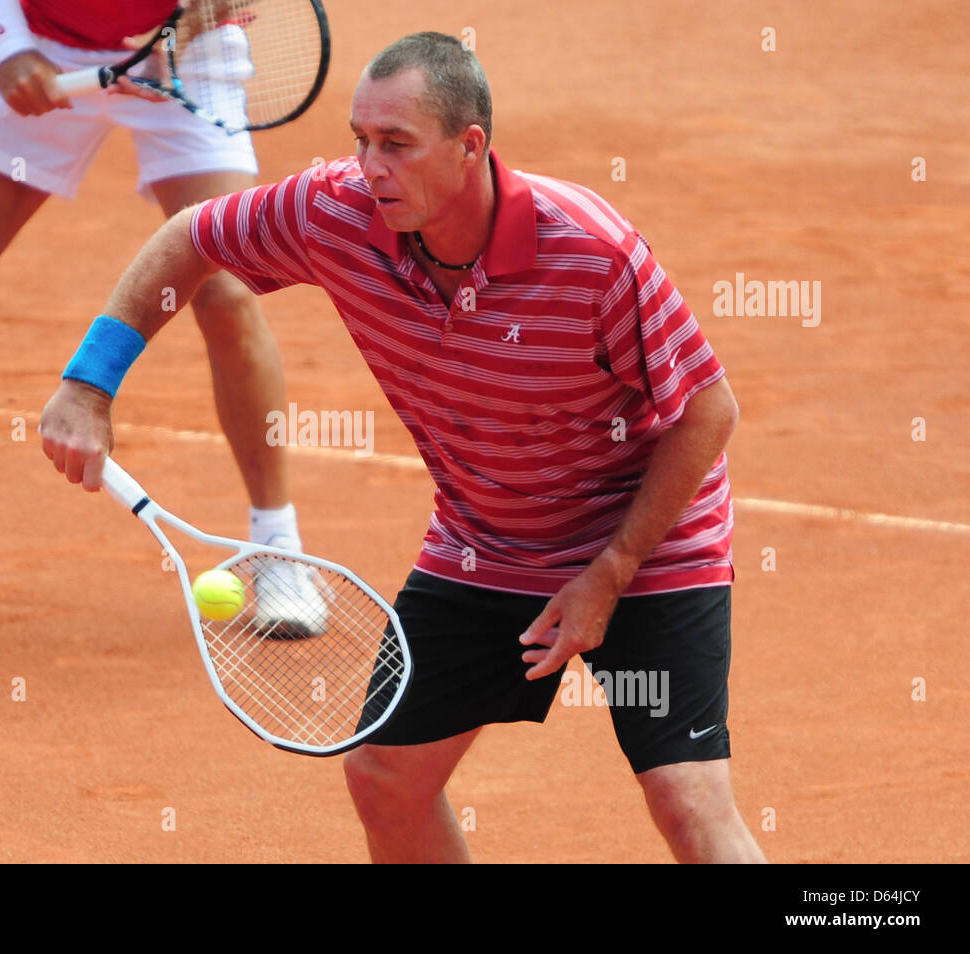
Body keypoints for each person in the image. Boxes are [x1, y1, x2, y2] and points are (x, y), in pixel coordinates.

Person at [38, 31, 767, 863]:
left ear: (470, 148)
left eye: (395, 145)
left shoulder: (593, 253)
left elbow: (710, 411)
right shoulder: (335, 212)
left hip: (646, 541)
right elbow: (193, 238)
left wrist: (608, 573)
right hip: (484, 545)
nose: (369, 166)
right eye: (360, 140)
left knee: (687, 802)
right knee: (385, 778)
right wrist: (90, 383)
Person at [0, 0, 325, 633]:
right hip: (47, 42)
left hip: (183, 56)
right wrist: (7, 47)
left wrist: (185, 27)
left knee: (226, 288)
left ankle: (277, 548)